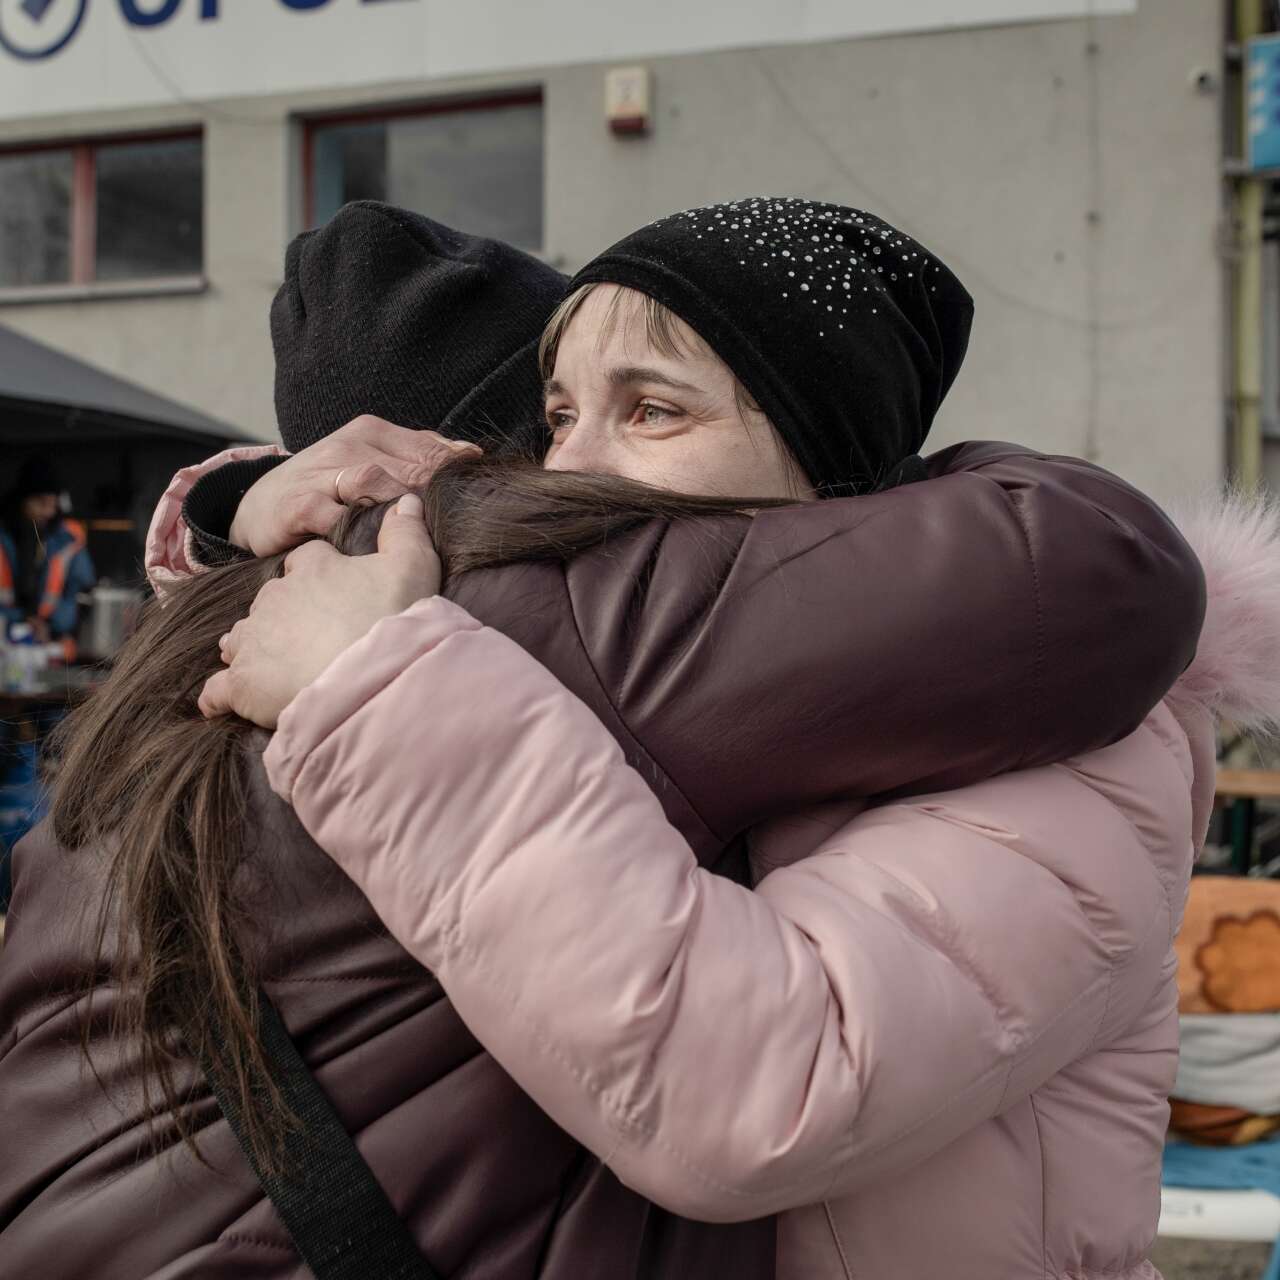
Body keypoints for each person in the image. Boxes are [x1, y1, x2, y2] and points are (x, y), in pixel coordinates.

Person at [0, 201, 1204, 1279]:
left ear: (834, 494)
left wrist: (371, 678)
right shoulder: (730, 678)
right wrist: (241, 520)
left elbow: (755, 1090)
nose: (564, 464)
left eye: (652, 408)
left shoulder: (1079, 752)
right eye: (557, 412)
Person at [0, 456, 94, 657]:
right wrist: (21, 620)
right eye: (41, 503)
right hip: (7, 643)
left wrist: (50, 626)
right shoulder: (5, 538)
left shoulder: (69, 539)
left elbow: (80, 595)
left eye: (53, 504)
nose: (49, 511)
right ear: (22, 501)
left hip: (53, 647)